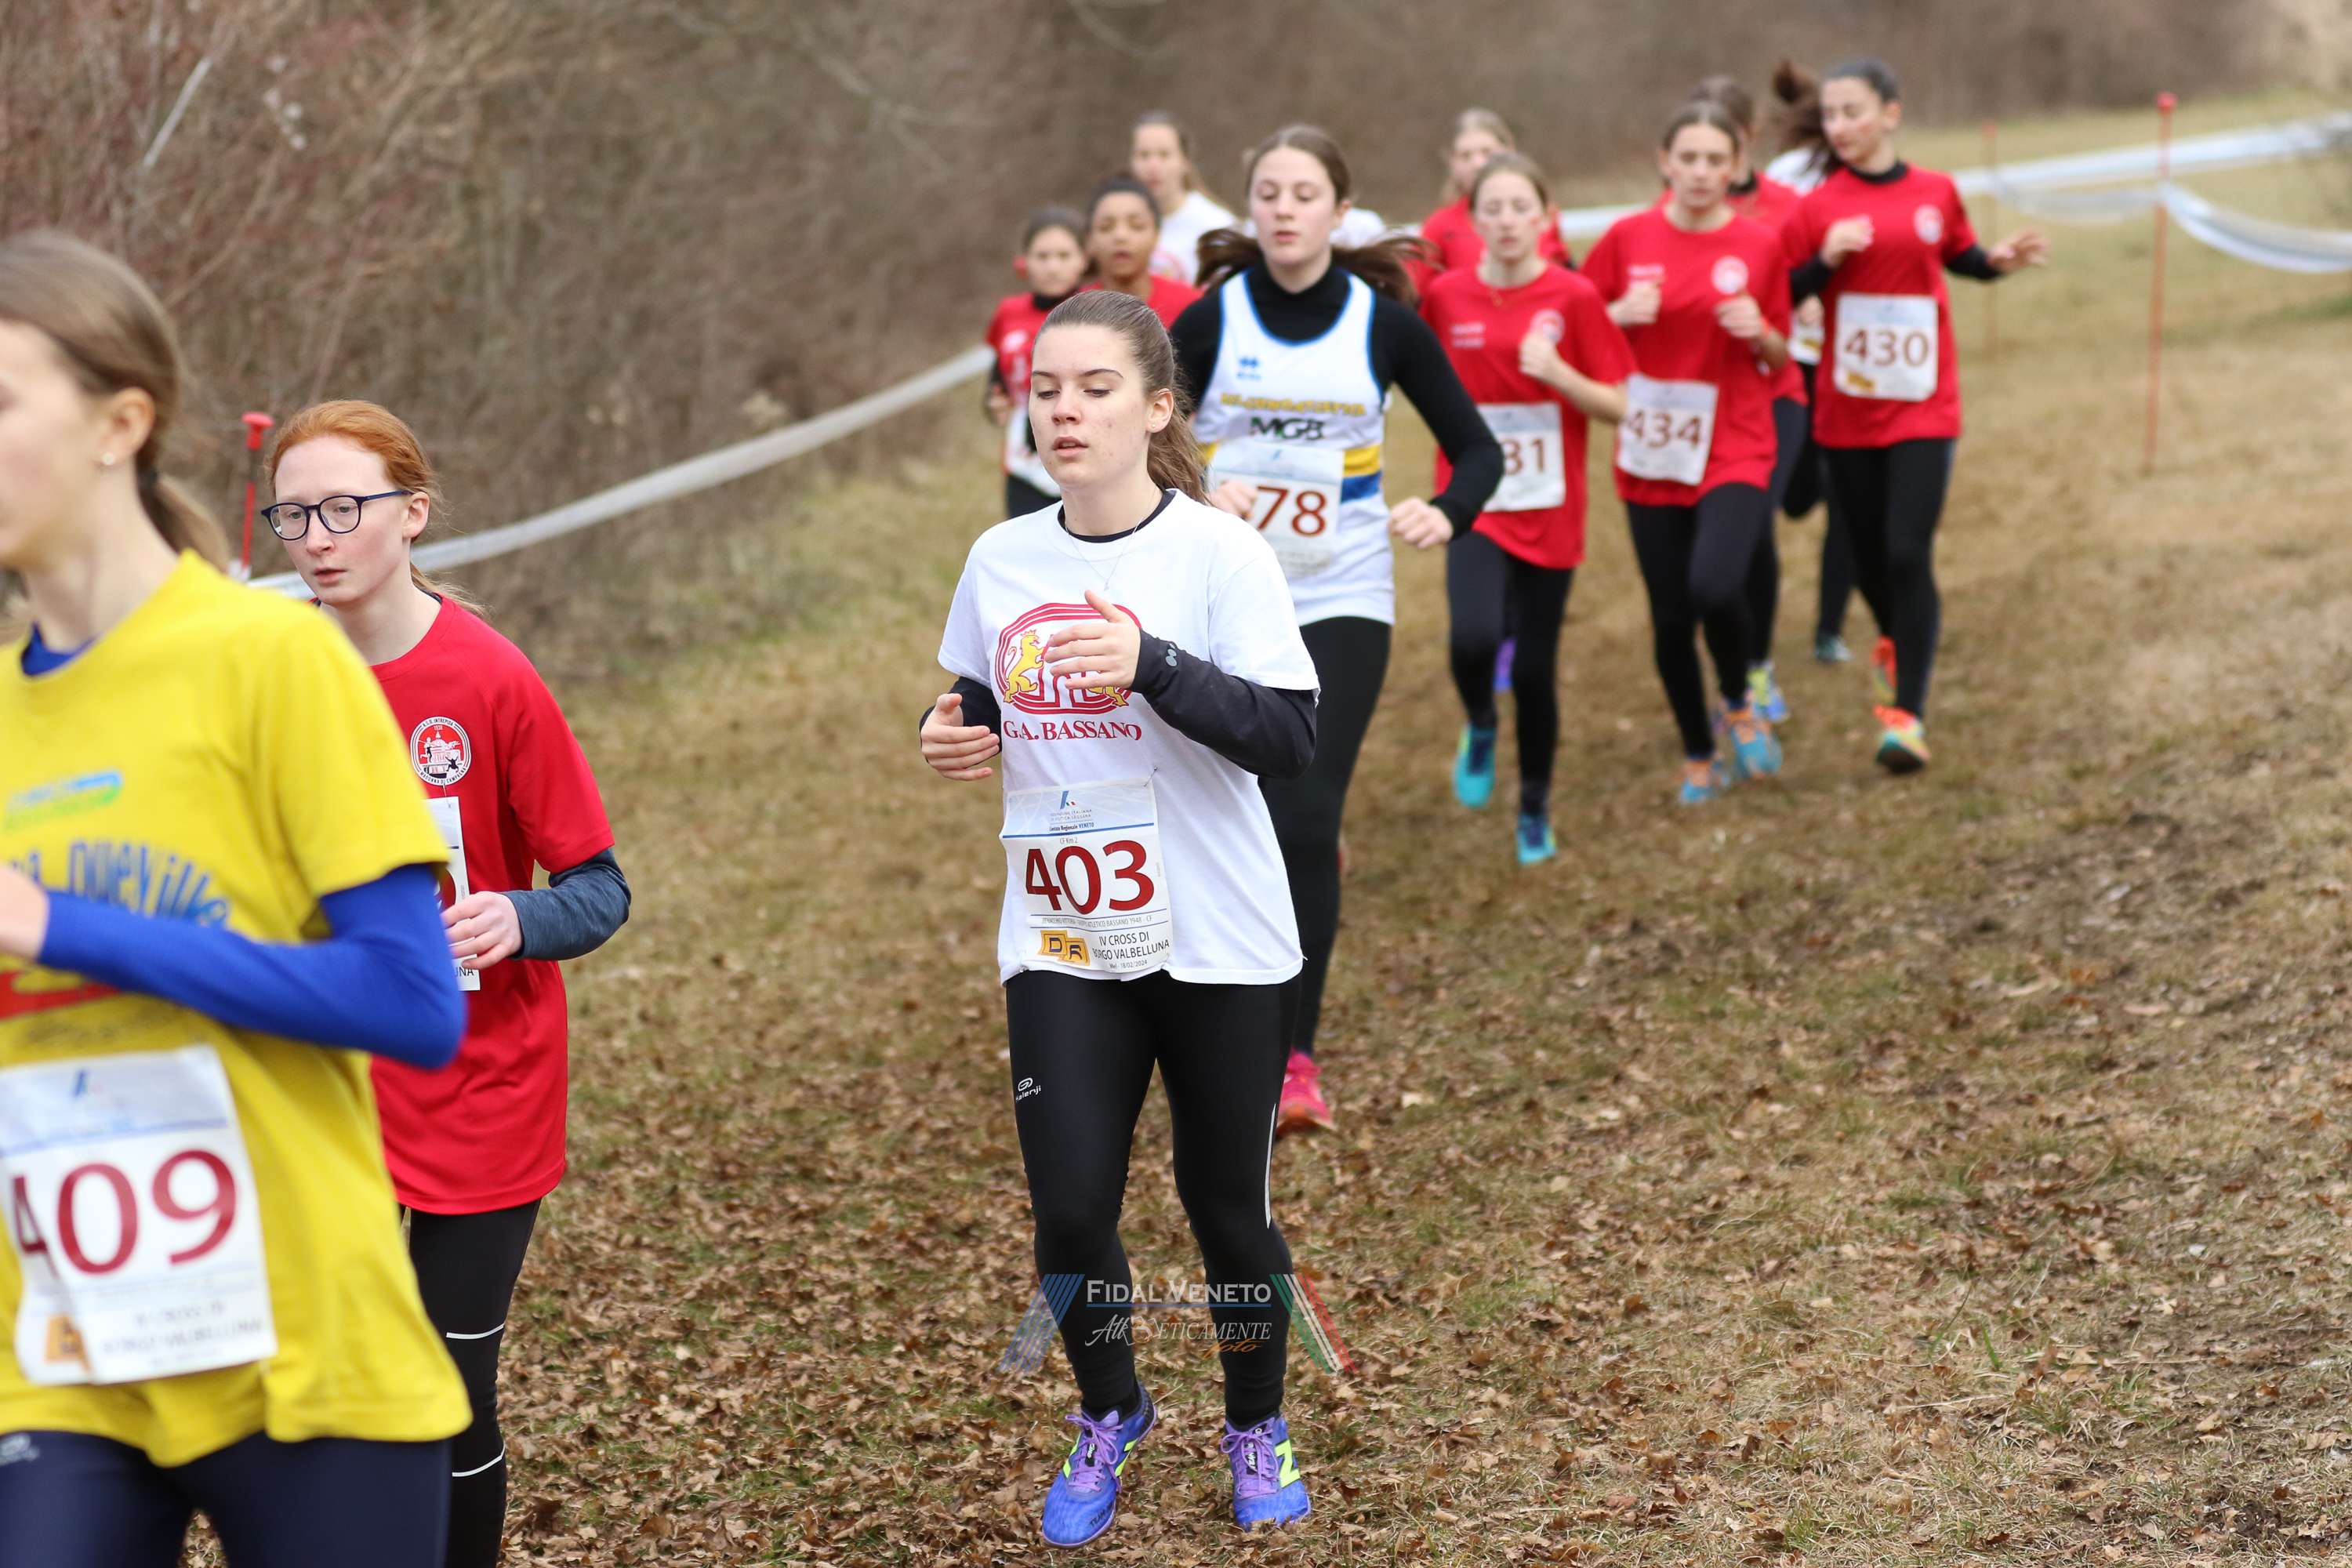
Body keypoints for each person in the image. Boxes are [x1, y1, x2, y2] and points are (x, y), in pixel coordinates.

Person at [0, 230, 470, 1565]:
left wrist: (62, 928)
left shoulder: (271, 660)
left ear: (121, 423)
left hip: (302, 1346)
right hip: (61, 1358)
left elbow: (415, 1000)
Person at [919, 289, 1320, 1543]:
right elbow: (978, 692)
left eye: (1094, 389)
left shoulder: (1219, 555)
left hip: (1219, 938)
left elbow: (1289, 737)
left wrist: (1153, 663)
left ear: (1155, 409)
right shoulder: (1002, 558)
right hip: (1066, 936)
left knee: (1226, 1208)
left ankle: (1255, 1423)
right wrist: (948, 729)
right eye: (1047, 390)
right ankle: (1111, 1407)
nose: (1065, 411)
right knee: (1072, 1208)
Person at [273, 400, 630, 1568]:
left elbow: (600, 887)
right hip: (326, 1086)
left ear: (414, 514)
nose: (317, 538)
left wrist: (518, 917)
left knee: (444, 1389)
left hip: (483, 1087)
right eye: (294, 515)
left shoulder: (490, 678)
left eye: (344, 509)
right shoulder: (271, 674)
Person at [1174, 125, 1501, 1135]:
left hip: (1343, 594)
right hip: (1226, 598)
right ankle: (1210, 1011)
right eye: (1267, 192)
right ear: (1249, 206)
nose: (1283, 209)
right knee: (1234, 814)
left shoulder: (1383, 325)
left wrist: (1447, 512)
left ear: (1340, 211)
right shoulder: (1213, 318)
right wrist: (1198, 483)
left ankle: (1292, 1060)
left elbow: (1477, 449)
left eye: (1303, 193)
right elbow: (1139, 433)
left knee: (1307, 819)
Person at [1780, 59, 2048, 771]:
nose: (1839, 126)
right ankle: (1895, 642)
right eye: (1830, 115)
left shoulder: (1936, 191)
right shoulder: (1816, 208)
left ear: (1891, 114)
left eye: (1853, 112)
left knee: (1907, 551)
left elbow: (1959, 254)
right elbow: (1783, 292)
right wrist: (1824, 263)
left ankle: (1907, 718)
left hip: (1924, 404)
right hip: (1847, 410)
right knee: (1870, 560)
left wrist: (1995, 262)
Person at [1419, 152, 1632, 864]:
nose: (1508, 221)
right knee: (1473, 639)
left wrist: (1561, 374)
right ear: (1473, 219)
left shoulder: (1574, 296)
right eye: (1494, 208)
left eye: (1522, 207)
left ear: (1546, 217)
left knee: (1537, 672)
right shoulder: (1446, 297)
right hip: (1474, 499)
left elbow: (1619, 405)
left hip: (1549, 503)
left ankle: (1535, 805)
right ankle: (1481, 719)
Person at [1582, 102, 1793, 805]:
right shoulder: (1625, 238)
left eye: (1716, 160)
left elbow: (1780, 356)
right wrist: (1616, 315)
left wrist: (1760, 331)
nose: (1701, 172)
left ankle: (1736, 698)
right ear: (1665, 162)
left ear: (1736, 166)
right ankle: (1699, 753)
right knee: (1671, 613)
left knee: (1714, 586)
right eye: (1689, 158)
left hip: (1735, 441)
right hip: (1652, 447)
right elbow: (1582, 332)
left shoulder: (1759, 245)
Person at [1686, 74, 1810, 725]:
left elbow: (1808, 287)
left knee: (1755, 523)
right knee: (1709, 550)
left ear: (1747, 142)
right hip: (1693, 406)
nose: (1706, 167)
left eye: (1722, 147)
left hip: (1774, 393)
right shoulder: (1669, 213)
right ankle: (1727, 666)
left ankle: (1755, 669)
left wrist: (1777, 321)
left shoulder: (1785, 208)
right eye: (1693, 152)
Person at [1762, 57, 1860, 666]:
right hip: (1794, 356)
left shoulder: (1872, 174)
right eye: (1835, 114)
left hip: (1854, 359)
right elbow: (1769, 255)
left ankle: (1830, 627)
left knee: (1848, 494)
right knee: (1795, 495)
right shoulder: (1788, 174)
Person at [986, 208, 1090, 518]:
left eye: (1063, 256)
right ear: (1024, 261)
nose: (1053, 267)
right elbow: (998, 376)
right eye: (1042, 256)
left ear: (1084, 259)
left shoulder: (1097, 308)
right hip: (1024, 460)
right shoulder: (1009, 311)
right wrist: (994, 401)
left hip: (1084, 447)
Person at [1414, 110, 1573, 285]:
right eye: (1465, 156)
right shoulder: (1438, 226)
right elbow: (1418, 293)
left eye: (1487, 152)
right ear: (1452, 162)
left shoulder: (1537, 215)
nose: (1477, 164)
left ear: (1509, 152)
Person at [1082, 175, 1203, 328]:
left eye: (1137, 226)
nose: (1121, 236)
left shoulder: (1191, 306)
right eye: (1106, 227)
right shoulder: (1072, 312)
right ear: (1089, 240)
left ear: (1157, 235)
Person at [1131, 112, 1236, 285]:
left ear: (1186, 162)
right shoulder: (1119, 224)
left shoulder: (1216, 225)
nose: (1153, 166)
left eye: (1164, 155)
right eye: (1144, 155)